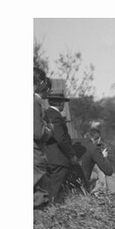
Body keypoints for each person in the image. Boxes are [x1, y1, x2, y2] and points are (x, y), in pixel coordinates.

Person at [41, 87, 78, 202]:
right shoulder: (56, 117)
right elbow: (61, 138)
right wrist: (71, 155)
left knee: (48, 188)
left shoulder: (46, 113)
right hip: (58, 159)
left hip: (48, 157)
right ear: (61, 103)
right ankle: (51, 213)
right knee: (54, 191)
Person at [33, 68, 52, 206]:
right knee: (38, 194)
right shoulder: (35, 102)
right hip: (34, 152)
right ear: (40, 82)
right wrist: (48, 130)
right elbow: (38, 133)